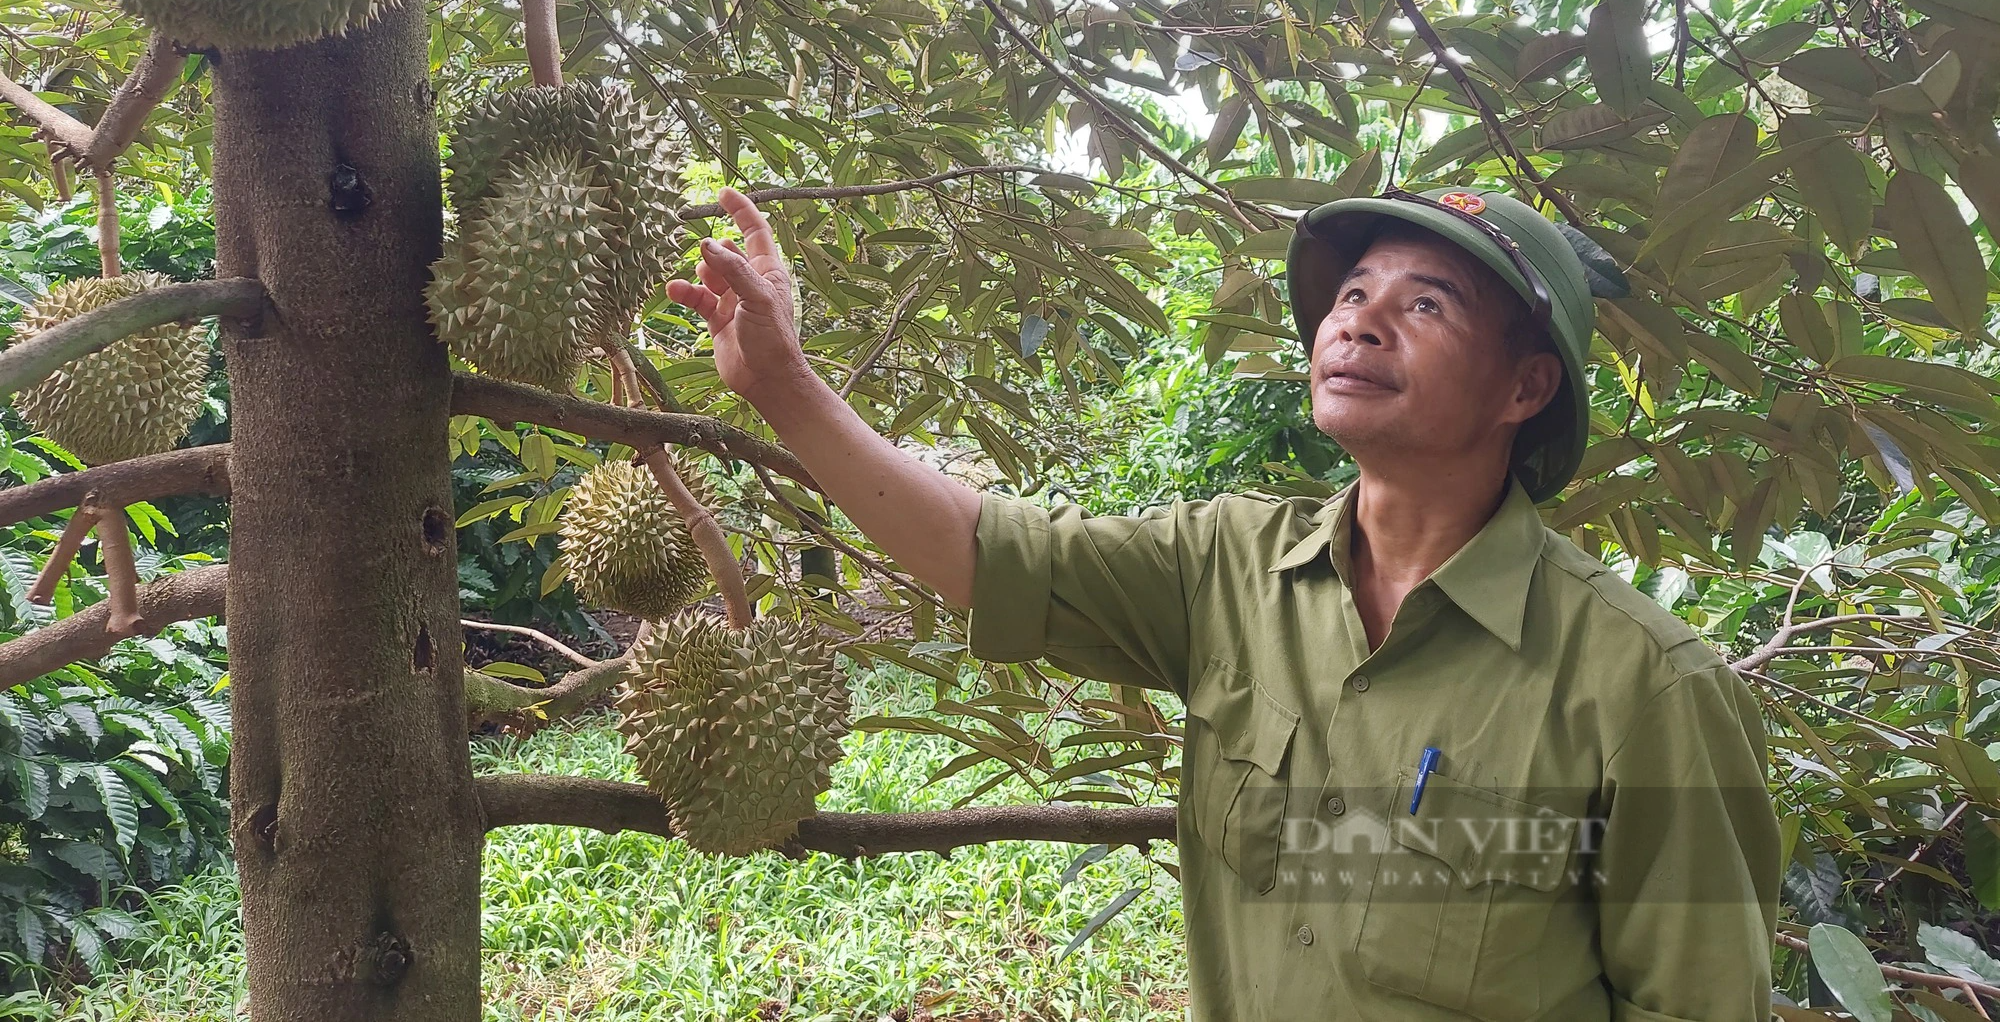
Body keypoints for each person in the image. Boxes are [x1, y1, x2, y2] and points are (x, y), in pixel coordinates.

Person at [668, 183, 1781, 1022]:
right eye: (1350, 295)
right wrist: (782, 384)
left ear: (1522, 388)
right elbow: (983, 551)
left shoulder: (1642, 686)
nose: (1357, 322)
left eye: (1422, 304)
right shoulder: (1225, 566)